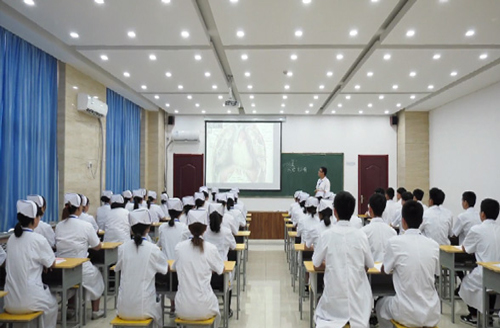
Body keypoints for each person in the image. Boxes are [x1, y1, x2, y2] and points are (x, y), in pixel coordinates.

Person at [312, 191, 374, 328]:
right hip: (359, 304)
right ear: (352, 212)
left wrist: (330, 264)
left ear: (335, 212)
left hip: (333, 304)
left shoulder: (326, 235)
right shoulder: (361, 235)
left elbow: (315, 264)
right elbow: (369, 264)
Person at [376, 200, 440, 328]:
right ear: (422, 221)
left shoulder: (395, 242)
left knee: (379, 305)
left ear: (403, 221)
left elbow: (385, 270)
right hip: (431, 312)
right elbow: (436, 272)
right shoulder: (434, 245)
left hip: (405, 311)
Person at [5, 200, 57, 327]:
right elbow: (52, 264)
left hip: (10, 300)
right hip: (31, 298)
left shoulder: (11, 239)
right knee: (53, 305)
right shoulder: (38, 239)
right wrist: (44, 264)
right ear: (34, 219)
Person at [115, 208, 168, 328]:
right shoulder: (153, 249)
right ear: (148, 228)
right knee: (159, 312)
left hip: (123, 308)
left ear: (131, 230)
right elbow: (164, 269)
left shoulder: (122, 248)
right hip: (145, 308)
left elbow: (117, 268)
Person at [55, 193, 105, 319]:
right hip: (81, 267)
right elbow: (97, 246)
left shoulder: (59, 226)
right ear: (79, 208)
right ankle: (95, 311)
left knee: (71, 283)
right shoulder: (86, 226)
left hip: (63, 268)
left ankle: (70, 309)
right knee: (97, 277)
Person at [173, 208, 224, 328]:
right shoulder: (210, 248)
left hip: (182, 308)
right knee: (216, 311)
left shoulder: (179, 248)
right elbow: (220, 269)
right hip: (204, 306)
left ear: (189, 228)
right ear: (205, 228)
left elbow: (174, 266)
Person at [459, 198, 500, 325]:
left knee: (466, 283)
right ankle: (489, 316)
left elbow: (466, 248)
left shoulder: (477, 229)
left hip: (484, 271)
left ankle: (474, 315)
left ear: (482, 214)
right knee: (493, 288)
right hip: (498, 271)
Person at [204, 203, 237, 318]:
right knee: (228, 284)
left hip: (206, 273)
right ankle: (227, 310)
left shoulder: (205, 231)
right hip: (221, 274)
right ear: (222, 218)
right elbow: (233, 246)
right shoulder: (226, 232)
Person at [362, 193, 397, 262]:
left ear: (370, 209)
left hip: (370, 270)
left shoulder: (363, 232)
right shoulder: (393, 232)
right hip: (388, 271)